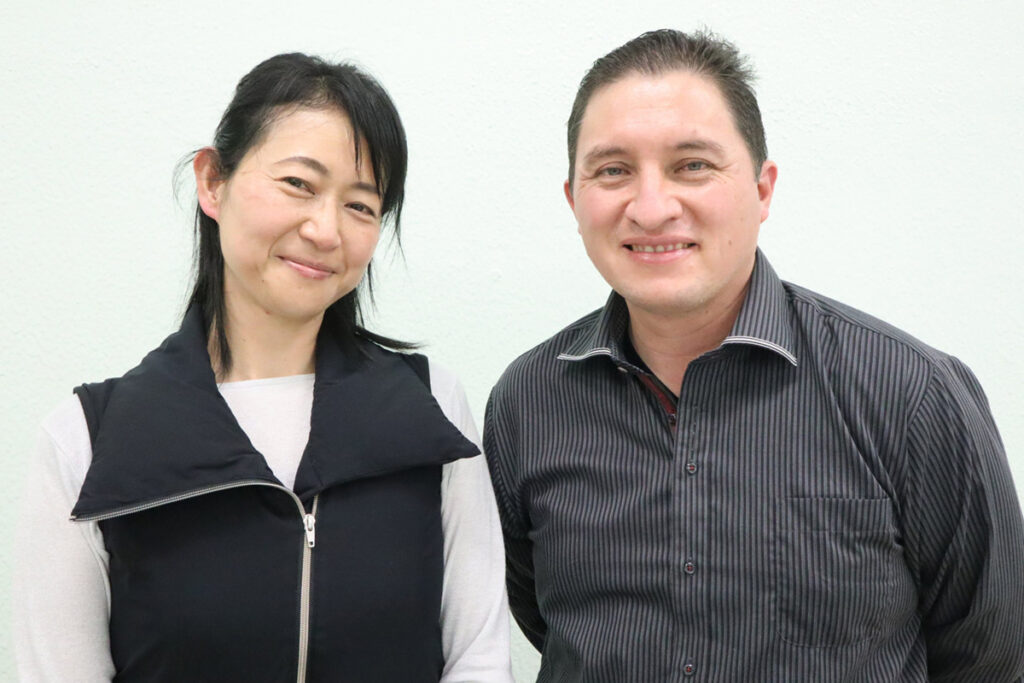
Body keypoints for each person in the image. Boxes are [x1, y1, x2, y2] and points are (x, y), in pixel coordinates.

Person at [483, 29, 1024, 682]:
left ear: (763, 190)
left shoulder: (910, 394)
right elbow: (541, 616)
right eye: (613, 170)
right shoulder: (527, 401)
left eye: (692, 165)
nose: (651, 208)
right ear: (575, 200)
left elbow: (992, 656)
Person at [14, 53, 512, 682]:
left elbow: (479, 659)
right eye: (298, 184)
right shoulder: (87, 441)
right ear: (212, 182)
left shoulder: (431, 410)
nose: (325, 229)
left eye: (361, 206)